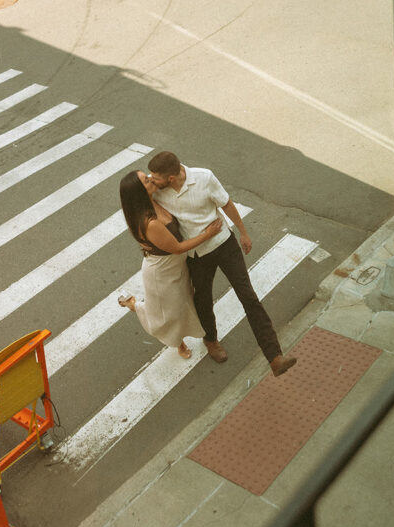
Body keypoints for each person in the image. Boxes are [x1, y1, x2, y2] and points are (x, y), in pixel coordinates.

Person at [147, 152, 297, 377]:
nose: (152, 180)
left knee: (248, 296)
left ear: (170, 178)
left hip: (224, 244)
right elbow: (139, 205)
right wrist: (148, 193)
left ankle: (274, 356)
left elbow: (226, 204)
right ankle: (211, 340)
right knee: (203, 300)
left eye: (155, 177)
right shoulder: (157, 192)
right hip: (196, 254)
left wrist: (244, 233)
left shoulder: (204, 178)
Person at [118, 170, 223, 358]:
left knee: (183, 303)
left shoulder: (155, 199)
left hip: (177, 267)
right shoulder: (149, 223)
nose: (150, 178)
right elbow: (177, 248)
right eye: (145, 180)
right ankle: (176, 342)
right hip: (162, 274)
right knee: (168, 314)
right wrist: (207, 234)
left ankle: (134, 304)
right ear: (139, 191)